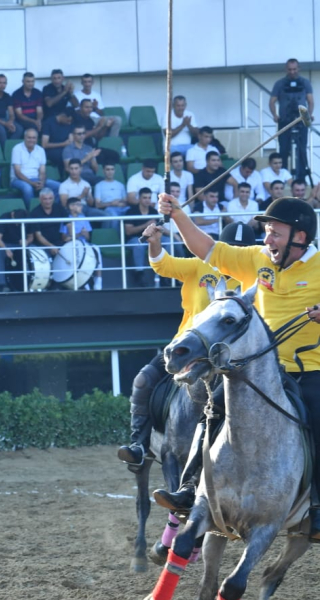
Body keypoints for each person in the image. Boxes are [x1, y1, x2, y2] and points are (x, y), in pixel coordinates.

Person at [152, 192, 320, 541]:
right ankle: (188, 487)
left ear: (300, 237)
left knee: (318, 423)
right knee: (211, 411)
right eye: (268, 232)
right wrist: (178, 214)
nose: (267, 239)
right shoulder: (256, 259)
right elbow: (208, 249)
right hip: (255, 368)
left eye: (275, 233)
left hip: (308, 370)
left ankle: (316, 506)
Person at [116, 220, 252, 469]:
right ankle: (139, 444)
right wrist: (154, 242)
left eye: (243, 249)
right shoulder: (199, 265)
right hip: (188, 351)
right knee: (143, 381)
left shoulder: (257, 278)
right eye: (232, 248)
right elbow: (163, 264)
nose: (237, 254)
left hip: (233, 358)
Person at [270, 58, 314, 178]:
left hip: (301, 120)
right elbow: (272, 101)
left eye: (294, 69)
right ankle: (283, 177)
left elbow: (310, 101)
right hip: (284, 121)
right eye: (290, 69)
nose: (292, 72)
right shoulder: (279, 83)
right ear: (286, 69)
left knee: (302, 150)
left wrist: (309, 115)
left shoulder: (305, 83)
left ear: (298, 68)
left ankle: (301, 178)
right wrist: (275, 115)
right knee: (284, 149)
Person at [124, 187, 172, 286]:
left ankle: (165, 273)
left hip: (152, 238)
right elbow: (128, 231)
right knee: (138, 245)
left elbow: (159, 227)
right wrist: (146, 224)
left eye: (149, 198)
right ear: (139, 199)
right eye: (144, 197)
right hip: (135, 239)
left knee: (168, 241)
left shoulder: (153, 211)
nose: (147, 200)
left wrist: (168, 232)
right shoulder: (131, 211)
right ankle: (139, 274)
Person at [11, 128, 60, 209]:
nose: (31, 140)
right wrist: (31, 183)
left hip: (36, 179)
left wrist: (42, 183)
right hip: (18, 180)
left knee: (59, 186)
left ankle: (55, 209)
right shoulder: (17, 149)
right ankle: (31, 211)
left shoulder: (40, 150)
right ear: (24, 138)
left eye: (34, 138)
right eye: (29, 137)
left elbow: (42, 171)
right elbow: (17, 172)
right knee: (28, 189)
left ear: (37, 139)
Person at [60, 197, 102, 290]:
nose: (81, 207)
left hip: (85, 244)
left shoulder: (83, 218)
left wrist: (85, 234)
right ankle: (83, 281)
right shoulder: (66, 219)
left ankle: (98, 279)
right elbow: (64, 238)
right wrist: (78, 234)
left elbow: (88, 238)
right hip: (72, 245)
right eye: (79, 205)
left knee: (96, 248)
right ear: (71, 207)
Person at [0, 207, 32, 292]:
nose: (17, 225)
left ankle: (31, 282)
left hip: (21, 245)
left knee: (34, 250)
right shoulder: (4, 217)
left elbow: (30, 236)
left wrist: (27, 241)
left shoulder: (26, 217)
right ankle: (2, 284)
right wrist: (6, 249)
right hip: (6, 244)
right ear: (12, 215)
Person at [30, 188, 67, 264]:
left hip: (59, 242)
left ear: (54, 198)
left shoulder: (59, 208)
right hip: (41, 245)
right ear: (40, 199)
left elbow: (69, 224)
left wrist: (70, 236)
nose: (48, 201)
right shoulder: (35, 213)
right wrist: (51, 246)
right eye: (45, 199)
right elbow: (38, 236)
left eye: (50, 198)